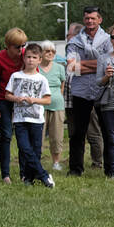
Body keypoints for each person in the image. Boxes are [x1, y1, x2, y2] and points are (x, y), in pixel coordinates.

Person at [66, 6, 111, 177]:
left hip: (103, 89)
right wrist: (98, 64)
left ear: (100, 20)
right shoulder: (75, 41)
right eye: (87, 18)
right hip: (81, 91)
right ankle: (75, 169)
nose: (90, 21)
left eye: (93, 18)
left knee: (107, 131)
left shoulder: (108, 40)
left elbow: (109, 64)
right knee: (78, 132)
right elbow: (71, 67)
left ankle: (110, 168)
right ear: (84, 20)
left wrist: (83, 64)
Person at [6, 43, 54, 187]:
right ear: (24, 58)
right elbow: (7, 95)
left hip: (37, 120)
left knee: (36, 150)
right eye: (28, 57)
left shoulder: (42, 79)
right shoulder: (16, 76)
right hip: (20, 119)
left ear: (40, 60)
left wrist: (34, 100)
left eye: (34, 57)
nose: (30, 60)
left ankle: (29, 178)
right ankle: (44, 175)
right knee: (24, 148)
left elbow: (47, 100)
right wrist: (16, 98)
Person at [0, 28, 27, 184]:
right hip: (3, 99)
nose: (21, 49)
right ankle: (5, 174)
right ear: (8, 46)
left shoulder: (26, 56)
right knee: (6, 135)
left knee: (23, 136)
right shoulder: (0, 58)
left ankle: (24, 173)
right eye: (17, 46)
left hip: (21, 100)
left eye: (23, 45)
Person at [96, 23, 114, 179]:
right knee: (113, 139)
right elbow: (98, 82)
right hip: (109, 104)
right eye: (113, 37)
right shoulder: (103, 58)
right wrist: (106, 76)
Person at [40, 41, 67, 171]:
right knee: (38, 136)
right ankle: (36, 161)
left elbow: (62, 86)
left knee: (57, 136)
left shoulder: (60, 68)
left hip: (57, 106)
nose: (50, 53)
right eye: (47, 51)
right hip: (39, 106)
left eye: (53, 51)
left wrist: (56, 97)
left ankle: (56, 162)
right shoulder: (36, 67)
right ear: (41, 53)